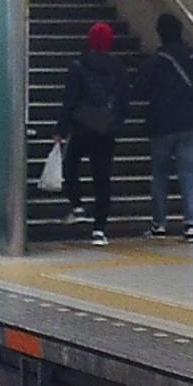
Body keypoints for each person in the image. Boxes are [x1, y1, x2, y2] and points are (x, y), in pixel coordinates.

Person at [130, 13, 193, 243]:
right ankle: (191, 226)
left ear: (160, 33)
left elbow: (138, 91)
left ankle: (159, 224)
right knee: (187, 174)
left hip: (161, 124)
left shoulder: (154, 61)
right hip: (190, 122)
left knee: (160, 175)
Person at [58, 21, 130, 246]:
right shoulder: (118, 67)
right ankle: (99, 230)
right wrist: (116, 122)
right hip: (106, 130)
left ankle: (77, 206)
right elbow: (124, 101)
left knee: (70, 164)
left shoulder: (79, 65)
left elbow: (70, 99)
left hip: (81, 127)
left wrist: (61, 128)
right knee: (102, 178)